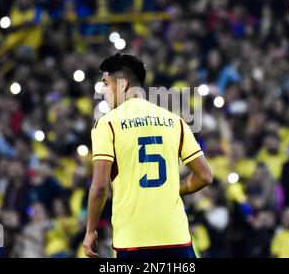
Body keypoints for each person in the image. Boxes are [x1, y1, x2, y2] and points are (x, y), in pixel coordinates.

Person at [83, 54, 213, 258]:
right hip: (176, 238)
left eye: (106, 84)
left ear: (123, 84)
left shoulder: (107, 124)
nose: (103, 91)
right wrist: (172, 189)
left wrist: (90, 230)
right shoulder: (175, 121)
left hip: (133, 240)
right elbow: (205, 176)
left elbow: (100, 187)